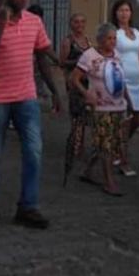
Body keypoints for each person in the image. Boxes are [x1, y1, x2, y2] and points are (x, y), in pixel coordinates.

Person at [0, 0, 61, 229]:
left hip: (27, 98)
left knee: (34, 152)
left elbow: (43, 56)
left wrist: (56, 89)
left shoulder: (34, 22)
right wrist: (2, 24)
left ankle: (28, 206)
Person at [69, 23, 130, 196]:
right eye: (109, 38)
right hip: (100, 107)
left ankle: (88, 170)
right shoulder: (89, 56)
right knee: (106, 144)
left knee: (109, 143)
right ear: (100, 40)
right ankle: (109, 182)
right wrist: (86, 93)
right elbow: (75, 79)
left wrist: (128, 101)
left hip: (118, 106)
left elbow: (121, 80)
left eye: (114, 38)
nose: (112, 42)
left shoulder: (117, 55)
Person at [112, 0, 139, 176]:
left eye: (127, 10)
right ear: (115, 13)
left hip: (137, 83)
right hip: (122, 83)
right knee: (124, 122)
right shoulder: (115, 34)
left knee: (137, 120)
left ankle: (117, 146)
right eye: (120, 10)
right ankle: (123, 161)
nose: (124, 13)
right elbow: (113, 60)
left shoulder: (138, 34)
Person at [61, 13, 92, 181]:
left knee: (83, 115)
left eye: (82, 21)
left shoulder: (88, 40)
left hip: (86, 82)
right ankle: (74, 147)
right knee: (76, 114)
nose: (79, 24)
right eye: (76, 21)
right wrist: (79, 62)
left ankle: (79, 146)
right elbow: (62, 61)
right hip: (73, 82)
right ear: (71, 24)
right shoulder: (68, 41)